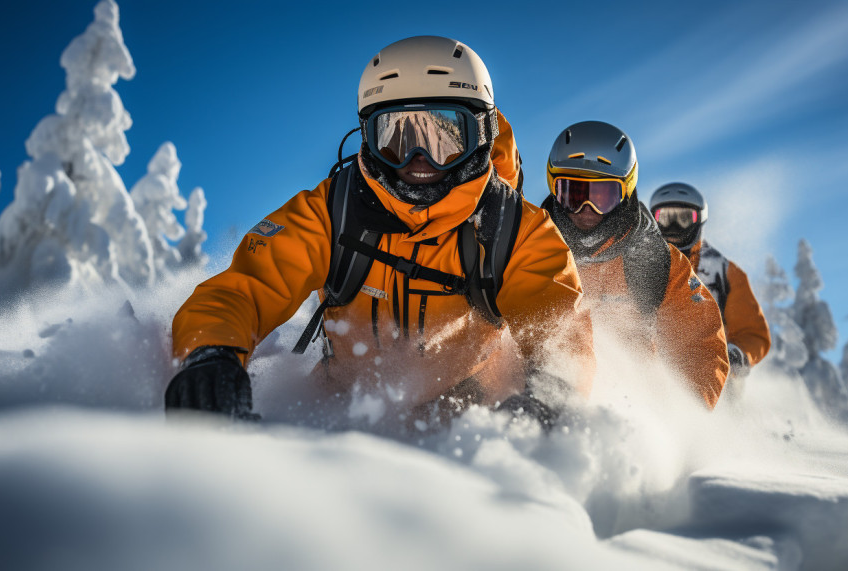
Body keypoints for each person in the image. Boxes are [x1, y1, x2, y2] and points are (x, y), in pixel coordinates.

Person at [165, 36, 594, 427]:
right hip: (339, 412)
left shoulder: (515, 228)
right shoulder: (333, 210)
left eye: (445, 137)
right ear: (367, 139)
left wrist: (546, 401)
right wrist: (213, 354)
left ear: (480, 133)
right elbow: (245, 287)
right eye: (396, 137)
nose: (420, 160)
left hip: (471, 422)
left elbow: (561, 330)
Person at [540, 121, 729, 409]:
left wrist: (686, 419)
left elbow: (699, 343)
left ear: (626, 191)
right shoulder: (533, 248)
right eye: (574, 195)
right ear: (554, 187)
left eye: (602, 197)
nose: (586, 210)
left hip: (629, 410)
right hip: (540, 395)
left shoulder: (655, 260)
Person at [649, 182, 771, 399]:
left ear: (699, 221)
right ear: (653, 220)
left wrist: (738, 354)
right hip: (654, 373)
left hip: (715, 378)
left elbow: (753, 332)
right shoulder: (639, 263)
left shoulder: (724, 272)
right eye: (666, 219)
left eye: (684, 219)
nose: (675, 228)